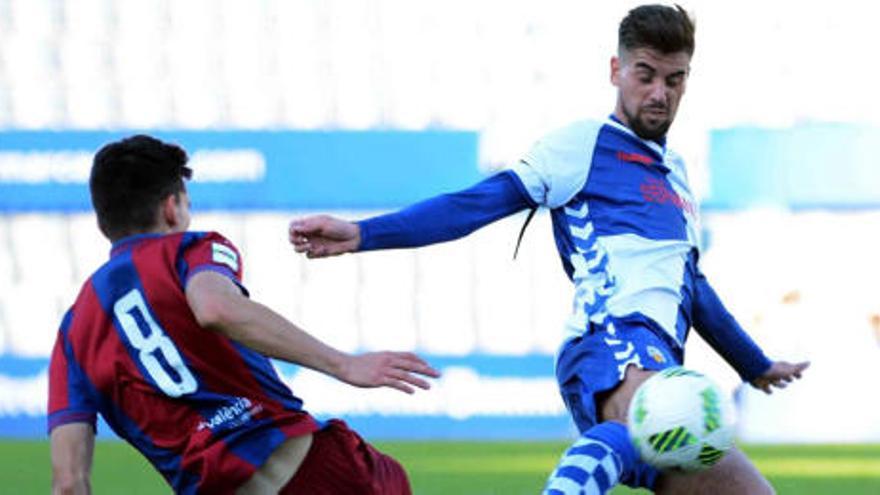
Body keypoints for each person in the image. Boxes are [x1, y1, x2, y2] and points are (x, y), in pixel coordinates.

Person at [288, 4, 808, 494]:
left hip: (659, 360)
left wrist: (754, 364)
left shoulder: (677, 174)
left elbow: (691, 285)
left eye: (675, 80)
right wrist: (364, 234)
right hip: (612, 343)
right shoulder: (583, 144)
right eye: (645, 74)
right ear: (615, 70)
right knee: (650, 414)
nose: (659, 93)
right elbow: (478, 203)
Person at [48, 135, 440, 495]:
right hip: (317, 474)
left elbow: (68, 483)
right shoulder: (192, 250)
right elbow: (216, 307)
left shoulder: (71, 334)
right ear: (172, 207)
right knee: (390, 479)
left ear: (103, 222)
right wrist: (343, 365)